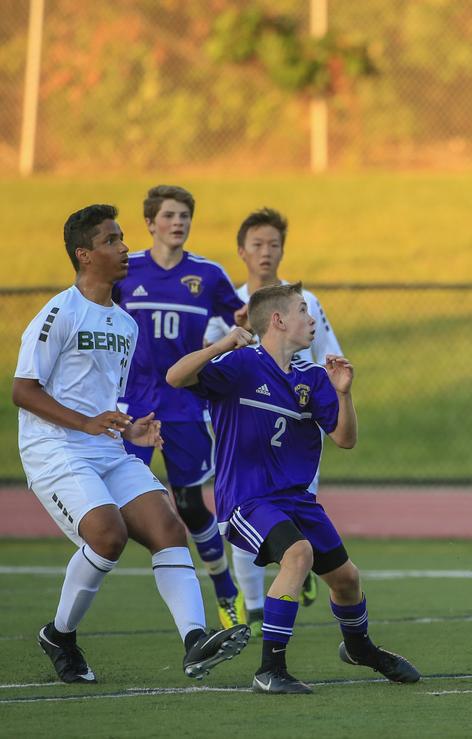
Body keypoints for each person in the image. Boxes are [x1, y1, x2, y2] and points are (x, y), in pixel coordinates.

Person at [13, 204, 249, 684]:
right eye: (111, 240)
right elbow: (23, 390)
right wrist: (86, 423)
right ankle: (59, 635)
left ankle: (194, 640)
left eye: (122, 238)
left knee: (167, 526)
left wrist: (130, 428)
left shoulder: (125, 323)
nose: (124, 248)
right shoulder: (59, 311)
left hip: (104, 446)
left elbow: (106, 399)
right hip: (54, 449)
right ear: (84, 255)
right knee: (108, 535)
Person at [166, 282, 419, 694]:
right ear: (279, 320)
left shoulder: (313, 378)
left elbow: (345, 439)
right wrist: (222, 345)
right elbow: (175, 377)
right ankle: (270, 671)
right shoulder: (241, 365)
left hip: (297, 500)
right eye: (304, 310)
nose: (312, 318)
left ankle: (360, 648)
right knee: (297, 555)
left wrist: (344, 394)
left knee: (347, 580)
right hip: (247, 500)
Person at [204, 207, 343, 634]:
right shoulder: (227, 305)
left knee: (294, 527)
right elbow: (204, 369)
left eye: (274, 244)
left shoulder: (306, 303)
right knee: (252, 525)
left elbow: (328, 357)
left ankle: (295, 576)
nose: (266, 252)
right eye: (257, 244)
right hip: (246, 434)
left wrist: (337, 395)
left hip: (295, 434)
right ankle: (254, 608)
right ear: (241, 251)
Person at [113, 185, 246, 629]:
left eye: (185, 215)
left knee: (189, 504)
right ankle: (175, 578)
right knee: (124, 503)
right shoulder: (125, 272)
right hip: (131, 407)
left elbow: (242, 321)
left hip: (186, 405)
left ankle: (225, 589)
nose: (178, 222)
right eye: (169, 215)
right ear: (149, 223)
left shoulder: (207, 275)